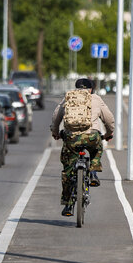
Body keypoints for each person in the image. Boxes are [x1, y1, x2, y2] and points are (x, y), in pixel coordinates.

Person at [50, 78, 115, 217]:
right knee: (97, 148)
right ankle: (93, 171)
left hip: (71, 138)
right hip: (92, 137)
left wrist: (55, 133)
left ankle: (67, 203)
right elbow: (108, 119)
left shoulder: (68, 98)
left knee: (67, 169)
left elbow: (56, 116)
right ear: (91, 89)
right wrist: (109, 133)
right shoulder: (96, 98)